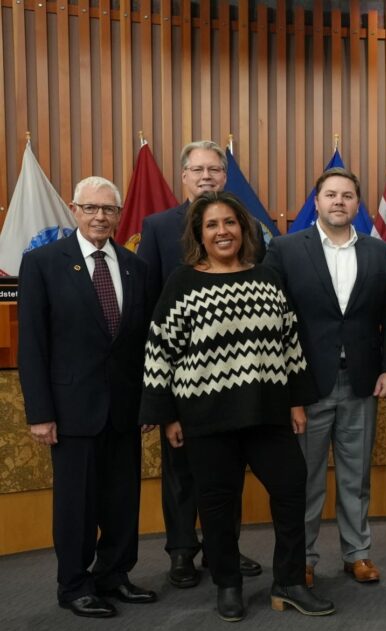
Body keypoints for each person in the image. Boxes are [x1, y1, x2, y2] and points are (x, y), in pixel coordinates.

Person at [139, 191, 333, 622]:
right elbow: (159, 351)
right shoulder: (182, 282)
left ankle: (289, 582)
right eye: (212, 225)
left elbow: (290, 344)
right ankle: (228, 583)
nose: (222, 231)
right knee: (217, 504)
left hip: (268, 414)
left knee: (290, 490)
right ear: (199, 234)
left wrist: (298, 403)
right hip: (206, 420)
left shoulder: (267, 278)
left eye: (229, 223)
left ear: (243, 229)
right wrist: (166, 414)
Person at [18, 177, 157, 618]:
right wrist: (40, 413)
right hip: (70, 409)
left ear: (119, 215)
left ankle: (114, 574)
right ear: (74, 211)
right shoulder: (42, 263)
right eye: (91, 208)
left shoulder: (136, 266)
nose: (100, 217)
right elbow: (33, 346)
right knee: (76, 505)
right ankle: (74, 584)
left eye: (109, 210)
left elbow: (143, 343)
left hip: (124, 408)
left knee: (121, 500)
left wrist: (150, 402)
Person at [264, 168, 386, 588]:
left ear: (357, 204)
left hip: (362, 382)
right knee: (303, 479)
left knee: (355, 476)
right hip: (305, 386)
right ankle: (302, 558)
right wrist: (287, 388)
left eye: (347, 196)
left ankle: (357, 554)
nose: (338, 201)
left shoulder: (379, 253)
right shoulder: (286, 250)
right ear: (317, 201)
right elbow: (273, 321)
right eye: (330, 195)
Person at [137, 140, 263, 587]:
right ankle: (181, 551)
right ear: (183, 176)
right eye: (197, 169)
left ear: (225, 177)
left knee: (228, 469)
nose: (207, 175)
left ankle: (221, 549)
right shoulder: (155, 227)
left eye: (215, 168)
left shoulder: (247, 226)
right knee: (181, 471)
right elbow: (147, 304)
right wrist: (159, 389)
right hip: (181, 377)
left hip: (236, 377)